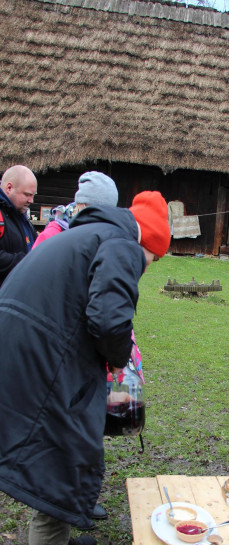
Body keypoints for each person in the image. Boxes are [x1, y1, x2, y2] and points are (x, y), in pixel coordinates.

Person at [0, 190, 170, 545]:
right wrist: (117, 360)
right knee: (59, 457)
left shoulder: (91, 231)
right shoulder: (123, 244)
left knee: (57, 450)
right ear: (150, 242)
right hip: (38, 351)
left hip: (22, 342)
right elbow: (109, 317)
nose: (150, 267)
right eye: (156, 258)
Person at [32, 171, 124, 522]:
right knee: (63, 441)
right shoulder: (56, 236)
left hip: (79, 351)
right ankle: (62, 511)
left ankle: (78, 502)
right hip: (59, 354)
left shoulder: (96, 237)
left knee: (85, 432)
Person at [0, 165, 37, 286]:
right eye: (27, 194)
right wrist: (26, 261)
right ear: (9, 188)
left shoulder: (20, 215)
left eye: (33, 195)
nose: (31, 200)